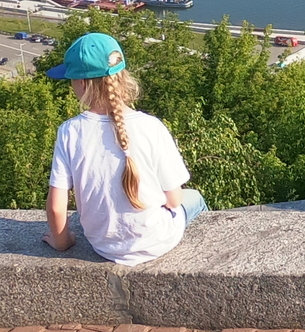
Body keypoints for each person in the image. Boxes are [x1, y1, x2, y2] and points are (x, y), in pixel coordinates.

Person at [42, 32, 206, 264]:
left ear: (81, 83)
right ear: (122, 77)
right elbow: (174, 200)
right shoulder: (151, 126)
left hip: (103, 245)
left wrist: (62, 242)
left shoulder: (70, 131)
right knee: (196, 198)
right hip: (157, 241)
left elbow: (57, 208)